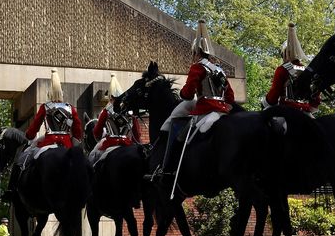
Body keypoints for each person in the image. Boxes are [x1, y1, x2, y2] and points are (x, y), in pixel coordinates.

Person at [159, 19, 235, 176]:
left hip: (205, 110)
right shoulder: (219, 70)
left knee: (179, 136)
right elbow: (230, 96)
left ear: (197, 52)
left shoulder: (197, 67)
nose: (192, 56)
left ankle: (168, 170)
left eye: (193, 53)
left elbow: (187, 94)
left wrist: (182, 93)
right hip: (222, 111)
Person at [4, 69, 82, 200]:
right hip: (67, 143)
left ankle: (12, 189)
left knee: (23, 159)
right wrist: (74, 141)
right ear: (62, 93)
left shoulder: (46, 107)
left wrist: (29, 136)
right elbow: (77, 128)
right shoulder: (70, 108)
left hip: (48, 141)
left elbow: (35, 126)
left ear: (49, 93)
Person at [263, 23, 321, 115]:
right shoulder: (307, 70)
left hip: (285, 111)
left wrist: (266, 101)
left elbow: (273, 96)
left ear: (284, 54)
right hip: (305, 112)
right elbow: (316, 99)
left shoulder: (282, 69)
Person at [88, 73, 141, 165]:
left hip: (110, 143)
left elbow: (97, 132)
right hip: (127, 144)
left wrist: (101, 139)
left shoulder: (106, 111)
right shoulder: (130, 111)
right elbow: (137, 133)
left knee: (93, 159)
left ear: (110, 97)